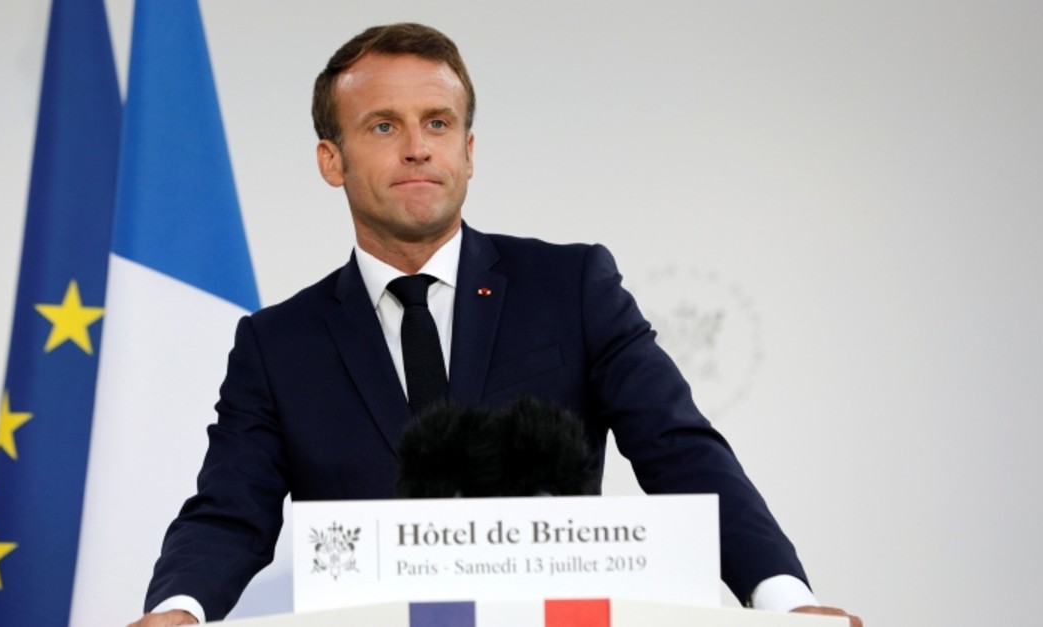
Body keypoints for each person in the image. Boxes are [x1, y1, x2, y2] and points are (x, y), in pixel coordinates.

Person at [130, 23, 861, 627]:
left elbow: (682, 452)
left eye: (438, 123)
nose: (417, 146)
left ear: (468, 152)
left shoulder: (572, 288)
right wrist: (178, 608)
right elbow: (229, 511)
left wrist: (784, 599)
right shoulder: (277, 344)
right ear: (332, 159)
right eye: (384, 125)